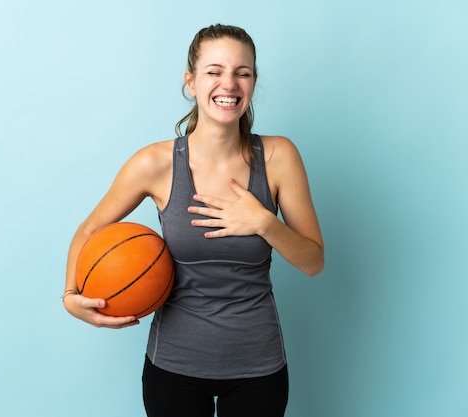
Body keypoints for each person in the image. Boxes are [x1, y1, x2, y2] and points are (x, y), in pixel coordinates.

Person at [63, 23, 324, 417]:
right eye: (214, 71)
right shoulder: (155, 163)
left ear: (253, 82)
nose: (229, 84)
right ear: (191, 82)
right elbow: (89, 229)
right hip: (173, 368)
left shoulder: (279, 157)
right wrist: (70, 297)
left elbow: (313, 262)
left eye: (242, 73)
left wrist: (264, 222)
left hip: (258, 367)